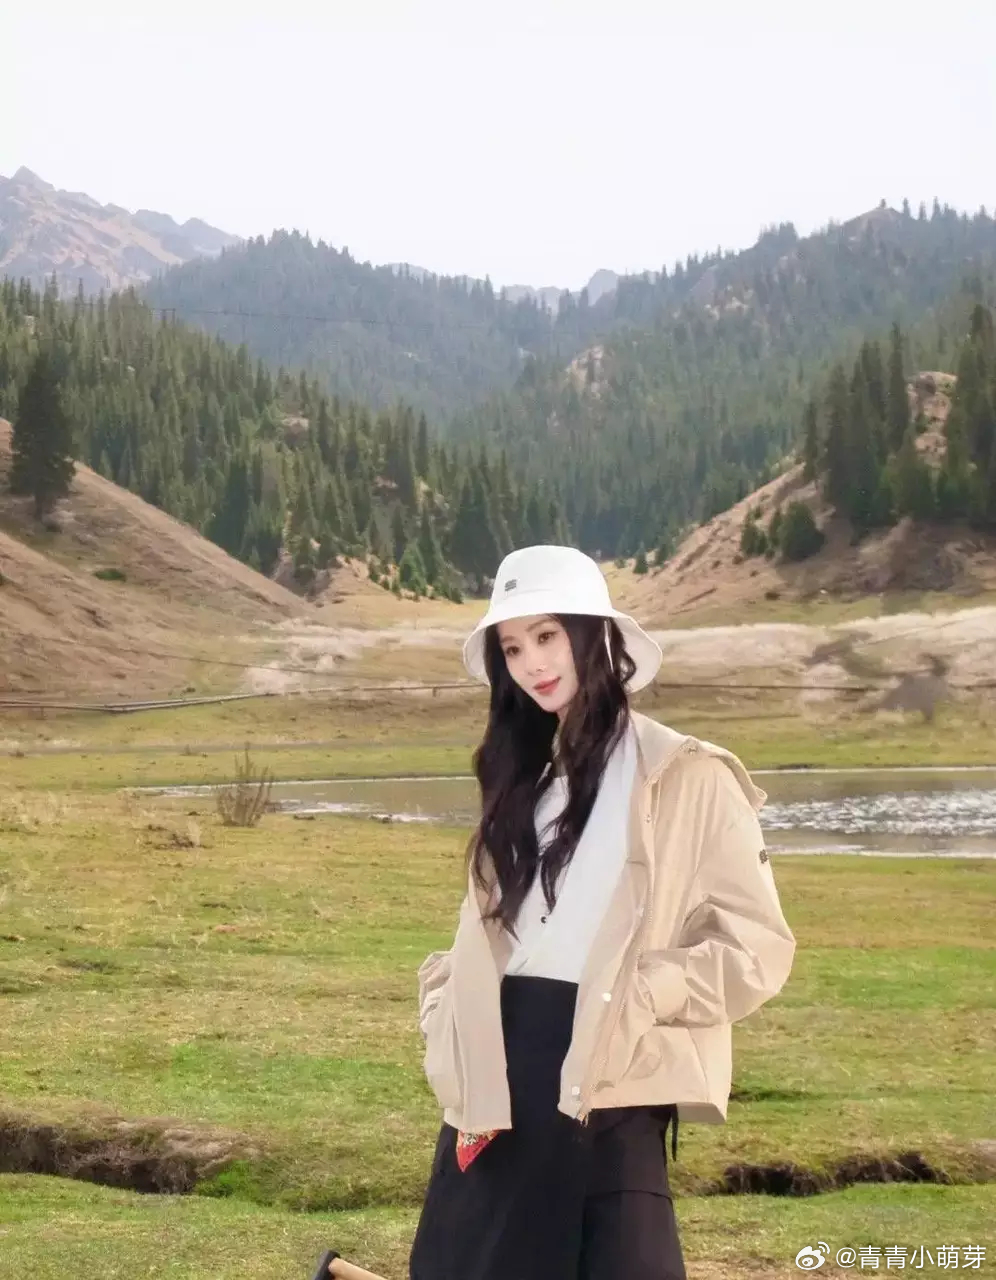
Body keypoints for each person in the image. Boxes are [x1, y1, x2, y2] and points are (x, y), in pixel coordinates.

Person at [408, 544, 796, 1280]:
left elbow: (758, 949)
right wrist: (443, 1013)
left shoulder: (689, 775)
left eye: (546, 635)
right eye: (512, 648)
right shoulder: (524, 780)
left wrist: (642, 994)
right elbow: (491, 940)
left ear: (596, 637)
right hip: (495, 1082)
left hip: (610, 1074)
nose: (531, 663)